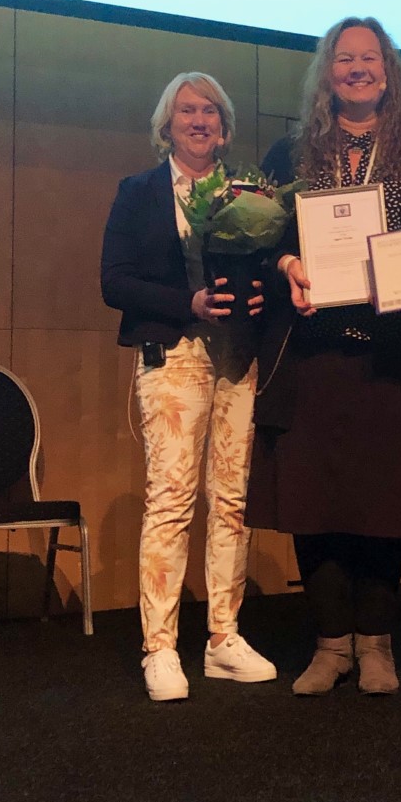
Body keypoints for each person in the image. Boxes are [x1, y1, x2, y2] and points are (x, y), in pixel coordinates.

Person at [246, 17, 401, 695]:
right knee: (315, 505)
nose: (357, 68)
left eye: (369, 58)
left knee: (383, 504)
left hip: (393, 359)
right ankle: (330, 644)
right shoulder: (290, 153)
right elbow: (263, 242)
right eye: (344, 59)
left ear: (388, 71)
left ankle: (377, 644)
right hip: (312, 358)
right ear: (326, 72)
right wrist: (287, 265)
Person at [101, 71, 276, 702]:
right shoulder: (138, 192)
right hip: (172, 354)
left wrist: (259, 293)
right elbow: (114, 281)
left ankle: (224, 637)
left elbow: (268, 271)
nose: (199, 121)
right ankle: (161, 648)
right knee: (171, 500)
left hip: (237, 355)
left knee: (231, 500)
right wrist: (189, 302)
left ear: (224, 128)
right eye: (186, 111)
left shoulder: (249, 194)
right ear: (166, 126)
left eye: (210, 111)